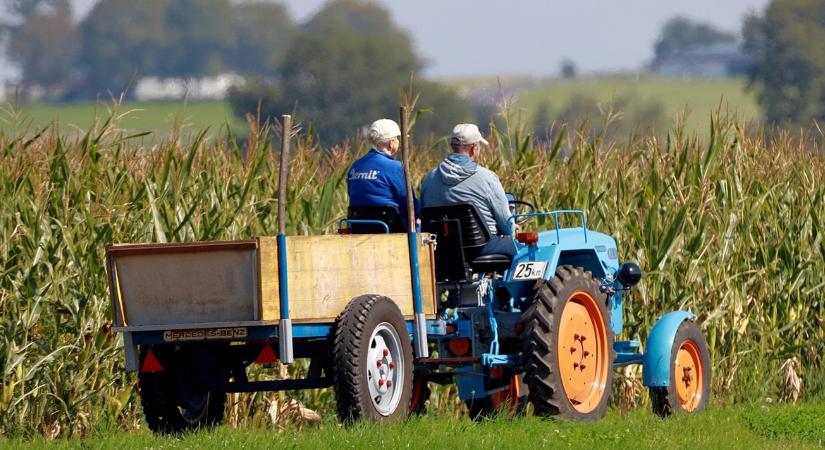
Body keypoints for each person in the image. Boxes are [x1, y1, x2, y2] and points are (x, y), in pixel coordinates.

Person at [420, 123, 513, 235]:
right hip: (484, 248)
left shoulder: (429, 179)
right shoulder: (487, 178)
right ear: (474, 148)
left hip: (442, 249)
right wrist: (513, 226)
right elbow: (507, 227)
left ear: (452, 146)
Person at [347, 118, 419, 230]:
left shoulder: (355, 166)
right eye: (396, 139)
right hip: (389, 228)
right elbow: (409, 203)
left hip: (358, 228)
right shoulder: (395, 167)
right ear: (391, 144)